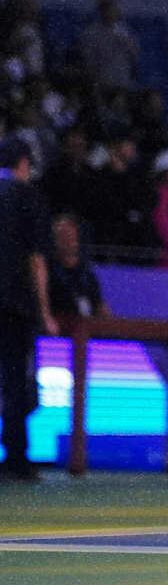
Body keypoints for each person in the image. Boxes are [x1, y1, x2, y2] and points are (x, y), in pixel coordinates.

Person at [1, 140, 57, 480]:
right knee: (14, 380)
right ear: (24, 163)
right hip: (13, 304)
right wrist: (45, 310)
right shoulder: (27, 198)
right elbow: (37, 259)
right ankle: (17, 458)